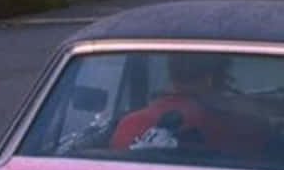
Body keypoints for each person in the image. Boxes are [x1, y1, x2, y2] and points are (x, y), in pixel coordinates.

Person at [110, 51, 268, 154]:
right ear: (211, 79)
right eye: (227, 79)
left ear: (172, 75)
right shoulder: (241, 128)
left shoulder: (129, 124)